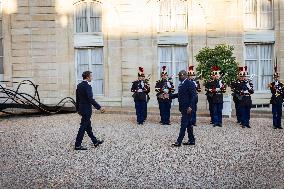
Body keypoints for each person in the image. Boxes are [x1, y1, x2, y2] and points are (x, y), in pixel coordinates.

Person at [164, 70, 196, 147]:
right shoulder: (181, 84)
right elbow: (180, 94)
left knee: (183, 124)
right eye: (179, 76)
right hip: (183, 107)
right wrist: (169, 95)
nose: (179, 77)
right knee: (188, 125)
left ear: (184, 75)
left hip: (188, 108)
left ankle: (179, 141)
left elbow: (194, 96)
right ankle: (191, 140)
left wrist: (190, 106)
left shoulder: (190, 83)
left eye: (180, 76)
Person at [75, 71, 105, 150]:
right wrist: (99, 107)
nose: (92, 78)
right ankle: (77, 145)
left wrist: (77, 109)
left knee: (88, 127)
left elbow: (77, 99)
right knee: (83, 127)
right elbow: (90, 99)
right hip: (87, 110)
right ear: (87, 77)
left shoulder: (79, 85)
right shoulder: (87, 86)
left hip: (82, 109)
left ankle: (95, 141)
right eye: (91, 76)